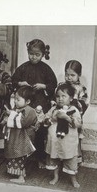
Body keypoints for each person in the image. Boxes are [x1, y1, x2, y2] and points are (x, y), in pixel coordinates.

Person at [11, 39, 57, 168]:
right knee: (23, 129)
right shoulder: (24, 67)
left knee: (39, 131)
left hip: (39, 104)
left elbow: (53, 85)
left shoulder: (46, 69)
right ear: (28, 52)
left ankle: (39, 158)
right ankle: (21, 155)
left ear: (43, 54)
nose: (34, 57)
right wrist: (21, 84)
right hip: (25, 104)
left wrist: (43, 86)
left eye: (37, 55)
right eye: (31, 54)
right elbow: (13, 80)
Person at [44, 83, 82, 188]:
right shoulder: (53, 109)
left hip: (68, 141)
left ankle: (73, 179)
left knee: (70, 159)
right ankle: (55, 176)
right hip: (54, 140)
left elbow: (78, 124)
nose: (60, 99)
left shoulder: (74, 110)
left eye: (63, 96)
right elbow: (45, 120)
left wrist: (67, 118)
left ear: (70, 98)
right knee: (54, 158)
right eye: (58, 96)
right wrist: (53, 119)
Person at [4, 86, 37, 183]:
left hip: (24, 137)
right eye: (15, 99)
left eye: (18, 99)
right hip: (17, 137)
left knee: (21, 155)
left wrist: (11, 114)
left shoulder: (30, 110)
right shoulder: (18, 108)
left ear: (28, 101)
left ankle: (21, 177)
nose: (15, 101)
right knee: (17, 154)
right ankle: (18, 173)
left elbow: (23, 123)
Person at [58, 60, 89, 163]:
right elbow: (56, 98)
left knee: (75, 138)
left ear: (79, 75)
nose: (69, 77)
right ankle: (62, 157)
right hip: (62, 116)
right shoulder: (61, 85)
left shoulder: (81, 88)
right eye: (67, 74)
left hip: (74, 117)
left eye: (72, 75)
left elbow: (84, 103)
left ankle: (75, 160)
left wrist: (73, 105)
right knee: (61, 136)